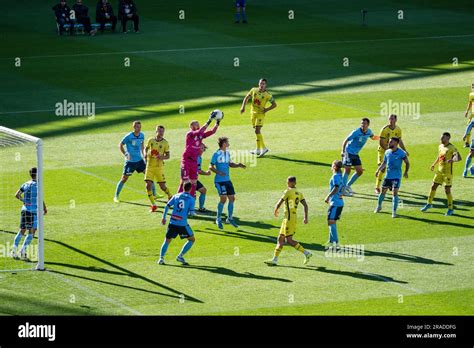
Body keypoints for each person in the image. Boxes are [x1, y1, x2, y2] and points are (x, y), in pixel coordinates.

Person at [265, 176, 311, 266]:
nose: (287, 184)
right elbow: (305, 205)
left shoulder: (288, 191)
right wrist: (306, 217)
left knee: (289, 240)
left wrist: (276, 209)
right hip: (290, 218)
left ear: (292, 183)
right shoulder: (299, 193)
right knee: (280, 238)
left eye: (288, 182)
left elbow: (280, 201)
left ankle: (306, 253)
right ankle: (275, 259)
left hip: (289, 218)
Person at [114, 121, 158, 202]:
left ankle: (155, 194)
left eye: (140, 127)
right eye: (137, 127)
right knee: (124, 179)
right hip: (130, 162)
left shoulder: (142, 135)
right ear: (134, 127)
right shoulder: (129, 136)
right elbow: (120, 144)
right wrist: (125, 154)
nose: (139, 128)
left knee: (149, 176)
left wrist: (144, 156)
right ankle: (116, 196)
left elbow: (142, 147)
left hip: (139, 161)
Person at [180, 111, 220, 198]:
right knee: (184, 182)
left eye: (198, 124)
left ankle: (191, 203)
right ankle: (178, 199)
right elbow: (200, 131)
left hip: (194, 161)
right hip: (186, 160)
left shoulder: (200, 135)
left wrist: (217, 121)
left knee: (194, 182)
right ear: (191, 127)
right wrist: (209, 120)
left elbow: (213, 131)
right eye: (196, 124)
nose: (197, 126)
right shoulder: (190, 134)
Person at [421, 132, 461, 216]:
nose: (441, 139)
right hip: (439, 171)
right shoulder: (440, 146)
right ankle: (429, 204)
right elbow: (439, 157)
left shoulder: (452, 148)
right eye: (441, 137)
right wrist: (433, 164)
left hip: (447, 173)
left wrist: (452, 160)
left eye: (443, 138)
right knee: (433, 186)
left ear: (448, 138)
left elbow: (458, 157)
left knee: (447, 190)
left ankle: (450, 209)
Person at [11, 168, 47, 261]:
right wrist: (44, 208)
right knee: (32, 231)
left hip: (25, 210)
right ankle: (22, 251)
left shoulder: (25, 184)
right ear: (37, 174)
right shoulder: (38, 185)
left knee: (22, 231)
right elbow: (40, 197)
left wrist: (25, 201)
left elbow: (17, 195)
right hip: (33, 212)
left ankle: (14, 251)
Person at [210, 137, 246, 229]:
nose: (228, 143)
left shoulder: (227, 153)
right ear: (223, 143)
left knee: (232, 198)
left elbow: (230, 164)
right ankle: (218, 219)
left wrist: (238, 165)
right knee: (223, 199)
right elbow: (210, 166)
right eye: (227, 142)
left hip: (227, 180)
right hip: (219, 181)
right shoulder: (216, 154)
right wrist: (218, 172)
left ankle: (229, 218)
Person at [158, 182, 196, 265]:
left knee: (167, 241)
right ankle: (180, 256)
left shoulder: (176, 196)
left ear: (183, 187)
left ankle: (161, 258)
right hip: (182, 224)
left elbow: (167, 206)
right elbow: (192, 213)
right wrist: (193, 213)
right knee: (192, 239)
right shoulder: (191, 199)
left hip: (172, 223)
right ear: (190, 189)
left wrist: (164, 217)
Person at [240, 78, 277, 157]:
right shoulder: (254, 90)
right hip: (253, 113)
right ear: (258, 84)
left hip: (260, 114)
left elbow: (274, 104)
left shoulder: (268, 95)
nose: (261, 85)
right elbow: (246, 97)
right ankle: (257, 149)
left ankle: (264, 148)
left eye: (263, 84)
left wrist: (266, 109)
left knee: (257, 130)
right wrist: (243, 107)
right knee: (256, 131)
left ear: (266, 85)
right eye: (260, 83)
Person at [341, 118, 378, 196]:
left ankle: (347, 186)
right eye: (362, 123)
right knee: (347, 170)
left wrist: (382, 137)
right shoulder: (356, 132)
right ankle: (343, 190)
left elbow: (373, 137)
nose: (362, 125)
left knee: (359, 171)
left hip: (355, 153)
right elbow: (346, 140)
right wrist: (343, 151)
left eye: (364, 123)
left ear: (368, 125)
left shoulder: (369, 132)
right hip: (348, 152)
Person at [374, 138, 410, 218]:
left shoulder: (402, 153)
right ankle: (379, 206)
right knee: (383, 192)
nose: (389, 143)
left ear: (396, 143)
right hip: (388, 176)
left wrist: (406, 172)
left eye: (391, 142)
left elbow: (407, 163)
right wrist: (378, 170)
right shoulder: (387, 152)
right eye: (389, 142)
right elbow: (384, 163)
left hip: (396, 176)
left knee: (394, 192)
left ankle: (394, 212)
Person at [375, 114, 409, 193]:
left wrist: (404, 150)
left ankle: (390, 184)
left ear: (395, 120)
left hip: (392, 152)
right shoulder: (384, 129)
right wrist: (388, 151)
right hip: (383, 151)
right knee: (382, 169)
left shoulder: (398, 129)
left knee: (392, 167)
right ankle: (377, 187)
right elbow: (381, 142)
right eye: (389, 119)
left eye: (392, 119)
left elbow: (399, 141)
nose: (390, 120)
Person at [144, 125, 172, 212]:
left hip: (159, 167)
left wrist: (161, 157)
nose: (161, 133)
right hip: (149, 166)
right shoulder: (150, 140)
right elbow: (146, 148)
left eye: (162, 132)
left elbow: (168, 156)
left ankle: (170, 195)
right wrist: (145, 154)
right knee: (148, 185)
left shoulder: (165, 143)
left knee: (162, 187)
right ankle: (153, 205)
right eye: (159, 131)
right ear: (156, 131)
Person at [324, 160, 344, 250]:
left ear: (335, 167)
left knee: (331, 221)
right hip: (338, 202)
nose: (331, 166)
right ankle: (331, 241)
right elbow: (342, 188)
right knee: (332, 221)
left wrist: (328, 196)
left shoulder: (336, 176)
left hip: (335, 203)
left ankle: (336, 243)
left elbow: (336, 188)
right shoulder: (340, 176)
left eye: (332, 165)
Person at [196, 143, 211, 212]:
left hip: (193, 179)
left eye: (203, 148)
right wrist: (206, 173)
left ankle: (200, 208)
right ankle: (190, 210)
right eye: (201, 148)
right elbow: (198, 170)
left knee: (203, 190)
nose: (203, 150)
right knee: (191, 194)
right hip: (191, 179)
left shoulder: (199, 157)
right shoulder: (197, 157)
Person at [463, 84, 474, 148]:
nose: (473, 88)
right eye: (472, 87)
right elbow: (470, 103)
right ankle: (467, 142)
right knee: (468, 127)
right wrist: (467, 111)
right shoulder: (471, 94)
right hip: (472, 114)